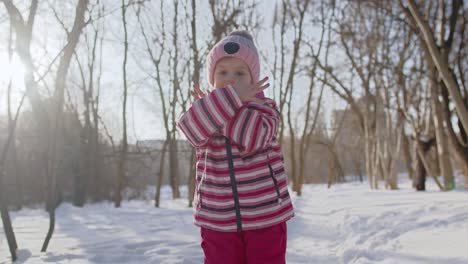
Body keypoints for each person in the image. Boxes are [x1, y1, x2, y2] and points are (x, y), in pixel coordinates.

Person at [177, 30, 294, 264]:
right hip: (216, 218)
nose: (231, 80)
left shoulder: (265, 108)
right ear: (212, 78)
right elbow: (190, 130)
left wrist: (221, 108)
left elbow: (254, 138)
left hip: (265, 216)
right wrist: (223, 104)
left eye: (240, 73)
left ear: (253, 79)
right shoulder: (204, 108)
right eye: (223, 72)